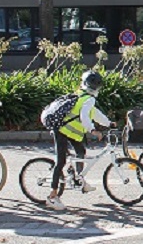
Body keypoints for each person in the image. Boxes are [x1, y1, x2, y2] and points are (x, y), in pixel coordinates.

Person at [45, 71, 115, 210]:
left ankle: (79, 180)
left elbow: (94, 113)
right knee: (61, 161)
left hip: (68, 131)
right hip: (62, 132)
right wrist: (93, 130)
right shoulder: (88, 99)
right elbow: (85, 117)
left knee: (81, 151)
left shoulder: (81, 95)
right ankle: (52, 196)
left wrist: (108, 123)